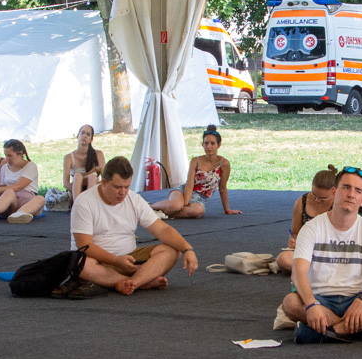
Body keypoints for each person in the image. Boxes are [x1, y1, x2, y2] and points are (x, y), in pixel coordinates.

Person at [280, 166, 362, 343]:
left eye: (358, 191)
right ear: (334, 192)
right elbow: (298, 273)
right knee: (290, 302)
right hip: (321, 299)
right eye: (346, 187)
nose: (351, 194)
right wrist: (312, 304)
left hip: (357, 299)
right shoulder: (311, 228)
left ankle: (331, 331)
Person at [70, 156, 198, 294]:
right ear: (104, 182)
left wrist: (187, 249)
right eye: (117, 187)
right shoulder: (84, 202)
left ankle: (132, 282)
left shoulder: (134, 199)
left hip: (130, 259)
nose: (123, 192)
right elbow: (85, 246)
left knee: (172, 250)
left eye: (127, 187)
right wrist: (116, 261)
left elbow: (162, 229)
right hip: (97, 261)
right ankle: (140, 281)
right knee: (80, 263)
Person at [159, 126, 239, 218]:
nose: (209, 146)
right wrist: (185, 204)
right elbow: (189, 185)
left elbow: (222, 188)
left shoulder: (224, 163)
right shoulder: (195, 160)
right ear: (202, 145)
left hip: (199, 199)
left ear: (219, 145)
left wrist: (227, 210)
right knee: (175, 206)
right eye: (206, 143)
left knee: (198, 211)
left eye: (212, 143)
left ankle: (163, 213)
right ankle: (150, 207)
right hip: (183, 191)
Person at [275, 166, 338, 274]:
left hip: (332, 251)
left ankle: (310, 270)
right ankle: (322, 270)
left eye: (323, 198)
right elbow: (295, 232)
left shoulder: (339, 205)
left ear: (334, 192)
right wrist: (294, 241)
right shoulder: (301, 202)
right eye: (314, 195)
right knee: (283, 259)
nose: (317, 200)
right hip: (308, 251)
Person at [0, 139, 47, 223]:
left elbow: (19, 186)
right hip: (10, 203)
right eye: (6, 156)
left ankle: (20, 214)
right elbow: (3, 187)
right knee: (9, 192)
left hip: (27, 201)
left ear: (20, 154)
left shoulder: (31, 166)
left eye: (10, 156)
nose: (7, 159)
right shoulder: (4, 168)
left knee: (40, 199)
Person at [63, 125, 103, 203]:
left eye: (88, 134)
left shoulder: (98, 154)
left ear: (91, 139)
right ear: (78, 136)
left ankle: (88, 204)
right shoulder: (68, 157)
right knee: (77, 176)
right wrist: (78, 192)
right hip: (76, 190)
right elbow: (66, 183)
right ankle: (77, 205)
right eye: (82, 133)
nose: (84, 136)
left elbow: (105, 178)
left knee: (92, 177)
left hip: (93, 188)